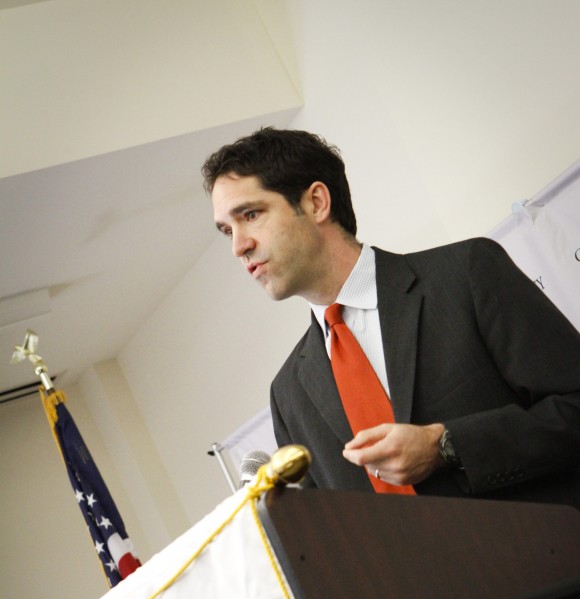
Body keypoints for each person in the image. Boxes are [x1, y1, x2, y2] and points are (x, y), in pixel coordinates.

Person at [202, 128, 580, 506]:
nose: (239, 246)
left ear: (316, 203)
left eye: (251, 215)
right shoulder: (288, 395)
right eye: (227, 231)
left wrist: (446, 446)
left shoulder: (466, 274)